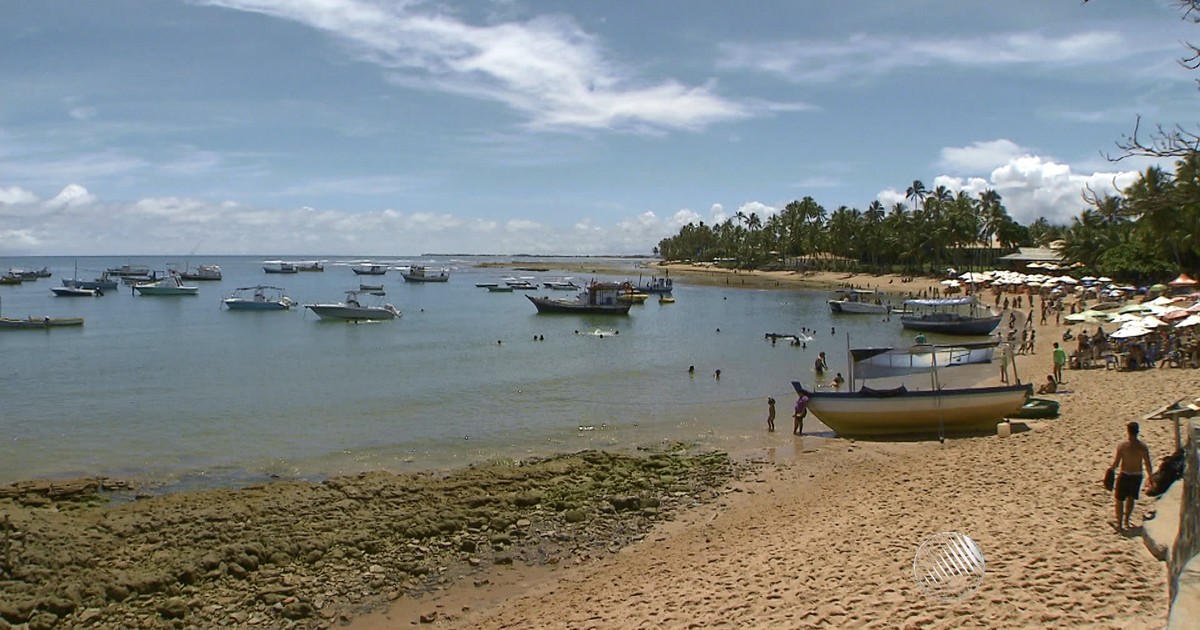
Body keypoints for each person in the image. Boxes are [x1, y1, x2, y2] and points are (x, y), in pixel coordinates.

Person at [1108, 421, 1153, 530]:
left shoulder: (1123, 446)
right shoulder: (1142, 447)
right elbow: (1148, 464)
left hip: (1125, 475)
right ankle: (1127, 521)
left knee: (1119, 500)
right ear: (1138, 432)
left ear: (1128, 431)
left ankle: (1119, 523)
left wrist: (1110, 471)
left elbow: (1116, 463)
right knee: (1131, 498)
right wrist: (1150, 477)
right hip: (1137, 475)